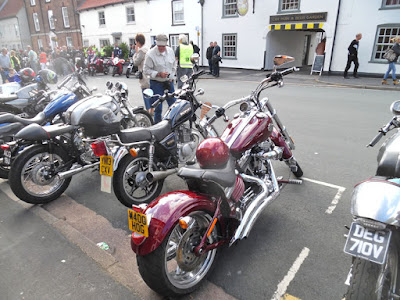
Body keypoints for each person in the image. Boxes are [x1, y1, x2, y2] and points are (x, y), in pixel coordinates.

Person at [143, 34, 177, 124]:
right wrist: (158, 74)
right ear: (156, 44)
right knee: (158, 108)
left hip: (168, 82)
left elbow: (174, 65)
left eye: (163, 46)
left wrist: (171, 77)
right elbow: (146, 70)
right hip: (156, 83)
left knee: (173, 105)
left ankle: (174, 125)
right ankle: (157, 126)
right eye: (159, 46)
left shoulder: (170, 51)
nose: (161, 48)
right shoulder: (150, 54)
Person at [132, 34, 152, 115]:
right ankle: (152, 110)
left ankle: (148, 111)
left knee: (145, 93)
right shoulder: (148, 49)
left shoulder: (141, 51)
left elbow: (136, 62)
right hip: (149, 74)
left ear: (138, 42)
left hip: (144, 75)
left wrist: (135, 53)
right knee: (151, 92)